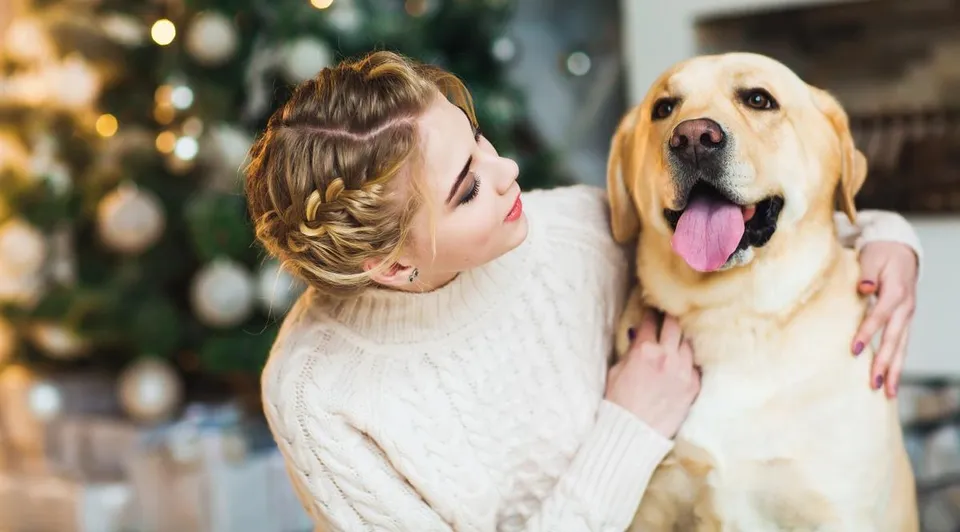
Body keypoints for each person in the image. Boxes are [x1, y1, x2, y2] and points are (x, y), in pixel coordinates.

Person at [243, 51, 922, 531]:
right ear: (393, 268)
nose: (509, 171)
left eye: (478, 140)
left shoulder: (571, 231)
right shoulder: (321, 397)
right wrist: (627, 429)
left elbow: (770, 204)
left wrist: (891, 238)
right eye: (467, 188)